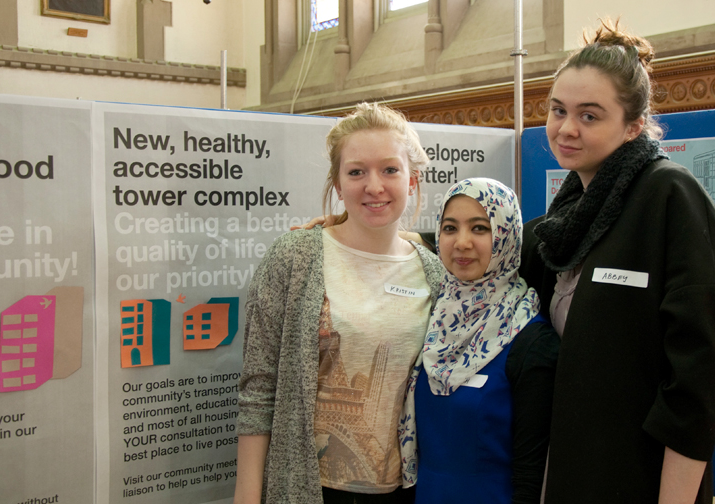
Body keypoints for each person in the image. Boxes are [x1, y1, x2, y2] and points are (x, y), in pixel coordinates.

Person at [519, 19, 715, 503]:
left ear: (633, 125)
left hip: (642, 479)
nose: (565, 129)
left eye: (590, 116)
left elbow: (698, 375)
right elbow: (473, 260)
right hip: (565, 470)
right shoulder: (562, 220)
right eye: (558, 110)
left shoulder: (669, 195)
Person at [234, 102, 445, 504]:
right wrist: (247, 493)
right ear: (337, 182)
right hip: (307, 489)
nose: (374, 186)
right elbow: (259, 386)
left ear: (413, 180)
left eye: (389, 169)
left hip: (405, 490)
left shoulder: (434, 274)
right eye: (356, 171)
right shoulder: (295, 258)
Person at [400, 178, 559, 504]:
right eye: (449, 228)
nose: (461, 242)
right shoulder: (431, 319)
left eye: (480, 228)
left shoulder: (531, 341)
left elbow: (533, 475)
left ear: (506, 236)